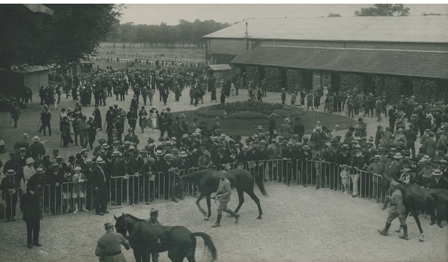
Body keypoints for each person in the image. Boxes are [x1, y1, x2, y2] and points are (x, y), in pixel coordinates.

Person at [20, 179, 43, 249]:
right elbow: (21, 206)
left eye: (35, 186)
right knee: (29, 229)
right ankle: (29, 243)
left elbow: (39, 203)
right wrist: (26, 212)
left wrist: (39, 211)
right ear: (29, 187)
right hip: (29, 215)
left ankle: (35, 241)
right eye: (33, 186)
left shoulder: (38, 194)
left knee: (37, 228)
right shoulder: (25, 196)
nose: (34, 188)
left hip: (36, 214)